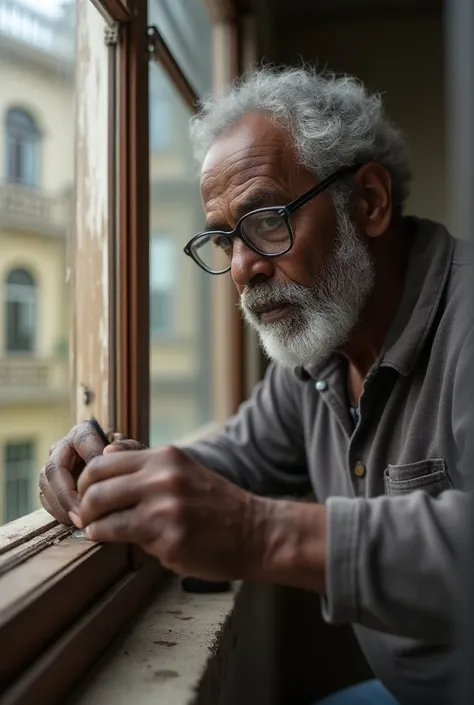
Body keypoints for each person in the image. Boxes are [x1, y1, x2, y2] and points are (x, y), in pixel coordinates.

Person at [39, 67, 472, 705]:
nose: (242, 268)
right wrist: (112, 465)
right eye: (223, 237)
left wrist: (260, 533)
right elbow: (233, 462)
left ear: (370, 203)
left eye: (267, 220)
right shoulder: (318, 360)